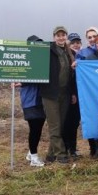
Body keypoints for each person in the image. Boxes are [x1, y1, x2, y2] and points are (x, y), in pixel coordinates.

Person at [41, 26, 76, 164]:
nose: (61, 37)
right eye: (58, 35)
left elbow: (72, 76)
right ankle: (61, 155)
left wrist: (72, 93)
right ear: (54, 36)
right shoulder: (48, 50)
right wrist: (23, 82)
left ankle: (50, 155)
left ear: (66, 36)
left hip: (65, 93)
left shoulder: (70, 52)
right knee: (54, 126)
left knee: (60, 126)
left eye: (63, 35)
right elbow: (36, 68)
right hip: (50, 94)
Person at [20, 35, 47, 167]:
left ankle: (31, 152)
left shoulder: (42, 61)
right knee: (34, 128)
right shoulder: (26, 60)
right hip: (30, 100)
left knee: (39, 127)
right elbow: (20, 78)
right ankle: (34, 158)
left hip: (41, 100)